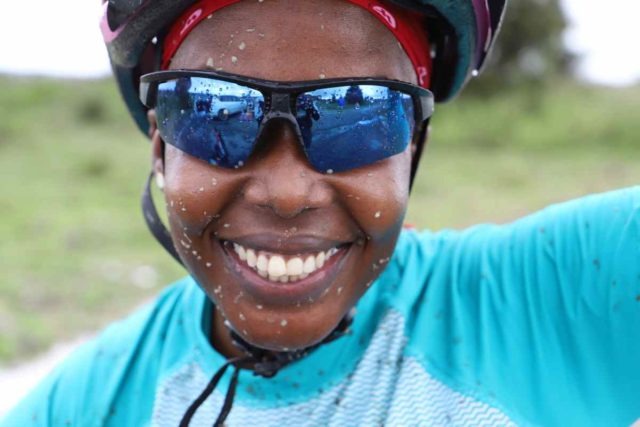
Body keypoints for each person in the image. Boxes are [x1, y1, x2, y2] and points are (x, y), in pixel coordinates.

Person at [3, 0, 640, 426]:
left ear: (410, 148)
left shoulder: (561, 300)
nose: (287, 192)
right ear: (161, 145)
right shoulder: (85, 405)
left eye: (356, 118)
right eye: (213, 113)